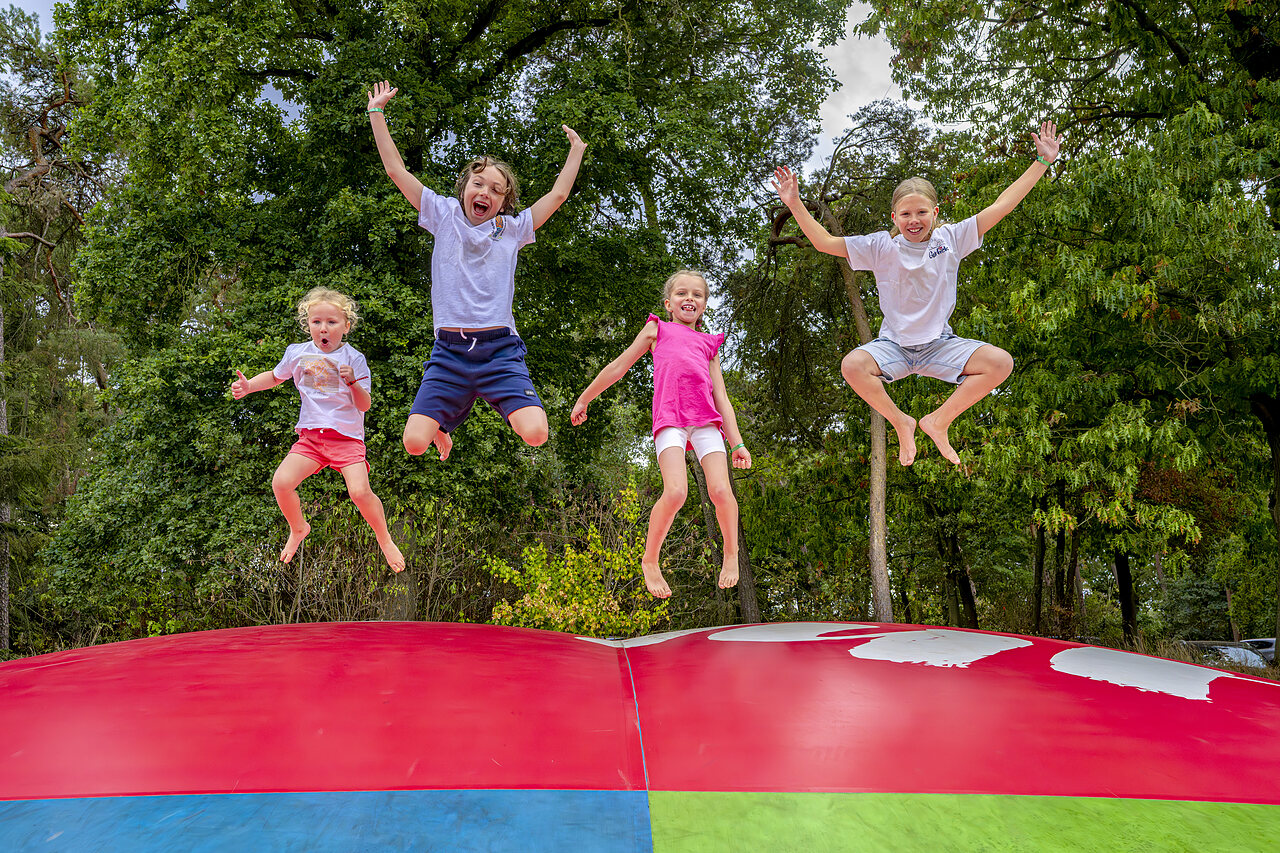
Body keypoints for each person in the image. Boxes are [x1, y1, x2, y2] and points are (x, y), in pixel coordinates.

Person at [773, 120, 1062, 466]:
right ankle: (901, 421)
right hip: (894, 346)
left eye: (922, 212)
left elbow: (1000, 207)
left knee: (1000, 363)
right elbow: (824, 242)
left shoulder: (951, 239)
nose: (914, 220)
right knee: (852, 365)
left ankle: (938, 421)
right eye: (906, 214)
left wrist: (1042, 162)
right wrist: (794, 203)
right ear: (894, 216)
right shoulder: (880, 246)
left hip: (939, 344)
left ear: (935, 213)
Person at [365, 80, 587, 461]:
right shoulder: (442, 213)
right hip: (449, 353)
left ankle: (465, 409)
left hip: (499, 350)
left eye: (496, 190)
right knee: (414, 443)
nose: (485, 192)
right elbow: (396, 170)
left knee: (536, 434)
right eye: (478, 183)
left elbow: (558, 196)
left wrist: (576, 152)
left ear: (503, 202)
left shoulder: (514, 229)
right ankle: (441, 428)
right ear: (464, 188)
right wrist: (377, 113)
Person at [571, 271, 752, 598]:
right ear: (669, 304)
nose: (690, 298)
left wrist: (736, 441)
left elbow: (721, 396)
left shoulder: (709, 344)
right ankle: (650, 560)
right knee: (676, 493)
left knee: (722, 491)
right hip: (670, 417)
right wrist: (585, 397)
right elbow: (618, 366)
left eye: (697, 295)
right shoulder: (658, 329)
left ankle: (730, 554)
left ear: (704, 305)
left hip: (705, 420)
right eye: (682, 293)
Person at [232, 287, 405, 572]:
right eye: (317, 322)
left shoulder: (354, 358)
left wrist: (353, 384)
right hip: (311, 439)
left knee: (360, 492)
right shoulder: (297, 353)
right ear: (308, 324)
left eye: (332, 322)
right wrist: (250, 385)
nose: (323, 328)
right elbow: (276, 377)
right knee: (281, 483)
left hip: (346, 439)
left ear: (346, 326)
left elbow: (364, 405)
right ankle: (299, 527)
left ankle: (384, 538)